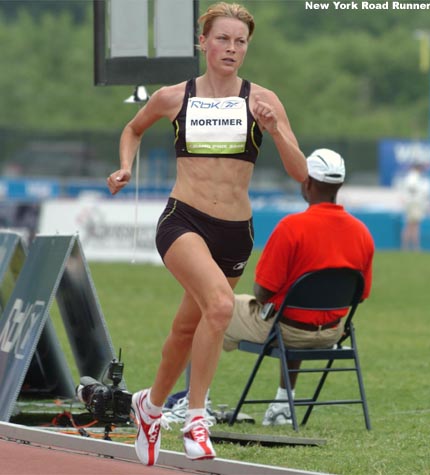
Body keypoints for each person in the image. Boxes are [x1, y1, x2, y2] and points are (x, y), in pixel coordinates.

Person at [107, 2, 307, 465]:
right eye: (223, 39)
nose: (231, 48)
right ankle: (196, 417)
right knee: (219, 306)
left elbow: (300, 173)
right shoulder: (175, 96)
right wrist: (123, 167)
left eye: (240, 42)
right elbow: (133, 130)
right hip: (183, 220)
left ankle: (150, 406)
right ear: (203, 42)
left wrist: (276, 131)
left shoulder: (263, 100)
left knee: (187, 327)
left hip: (235, 233)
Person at [223, 148, 375, 426]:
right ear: (339, 185)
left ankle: (195, 404)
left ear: (307, 183)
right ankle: (282, 404)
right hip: (332, 333)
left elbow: (262, 292)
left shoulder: (292, 227)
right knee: (292, 311)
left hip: (285, 331)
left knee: (210, 305)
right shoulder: (362, 232)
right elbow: (360, 296)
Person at [400, 162, 430, 251]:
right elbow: (412, 189)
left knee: (412, 225)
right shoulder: (413, 177)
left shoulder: (414, 177)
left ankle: (410, 246)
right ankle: (411, 246)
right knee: (412, 225)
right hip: (414, 204)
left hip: (413, 203)